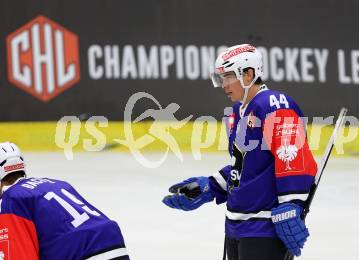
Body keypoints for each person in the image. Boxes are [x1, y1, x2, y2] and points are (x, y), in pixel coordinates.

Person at [163, 44, 317, 259]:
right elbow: (245, 165)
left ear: (249, 74)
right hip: (236, 225)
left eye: (228, 77)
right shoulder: (238, 111)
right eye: (221, 78)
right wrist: (211, 186)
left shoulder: (275, 105)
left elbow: (293, 158)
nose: (224, 84)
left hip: (265, 227)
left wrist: (291, 205)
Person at [0, 142, 129, 260]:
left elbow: (20, 255)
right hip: (113, 241)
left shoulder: (11, 199)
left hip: (80, 252)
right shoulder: (57, 184)